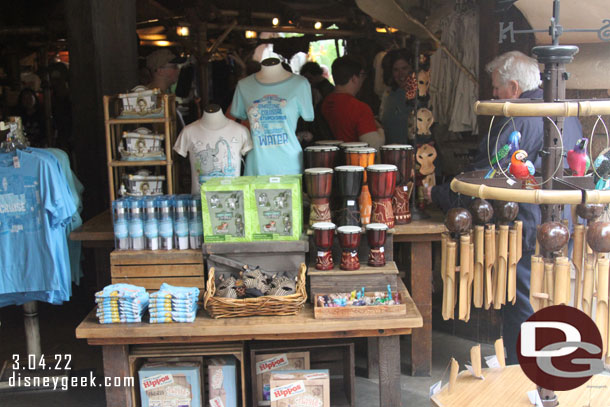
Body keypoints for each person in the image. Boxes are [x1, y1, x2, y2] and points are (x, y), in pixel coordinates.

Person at [426, 50, 583, 364]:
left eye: (496, 87)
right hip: (560, 220)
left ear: (513, 87)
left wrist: (440, 194)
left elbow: (489, 174)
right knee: (551, 297)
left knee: (523, 300)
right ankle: (547, 367)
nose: (493, 93)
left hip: (527, 223)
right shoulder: (567, 113)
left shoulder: (518, 118)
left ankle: (524, 372)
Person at [321, 56, 384, 148]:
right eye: (362, 75)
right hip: (355, 160)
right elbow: (374, 145)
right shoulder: (360, 109)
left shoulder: (323, 104)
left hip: (329, 160)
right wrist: (379, 128)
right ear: (354, 78)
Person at [379, 49, 416, 144]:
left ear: (412, 69)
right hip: (391, 151)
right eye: (396, 70)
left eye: (404, 68)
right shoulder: (388, 94)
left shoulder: (419, 95)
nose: (401, 74)